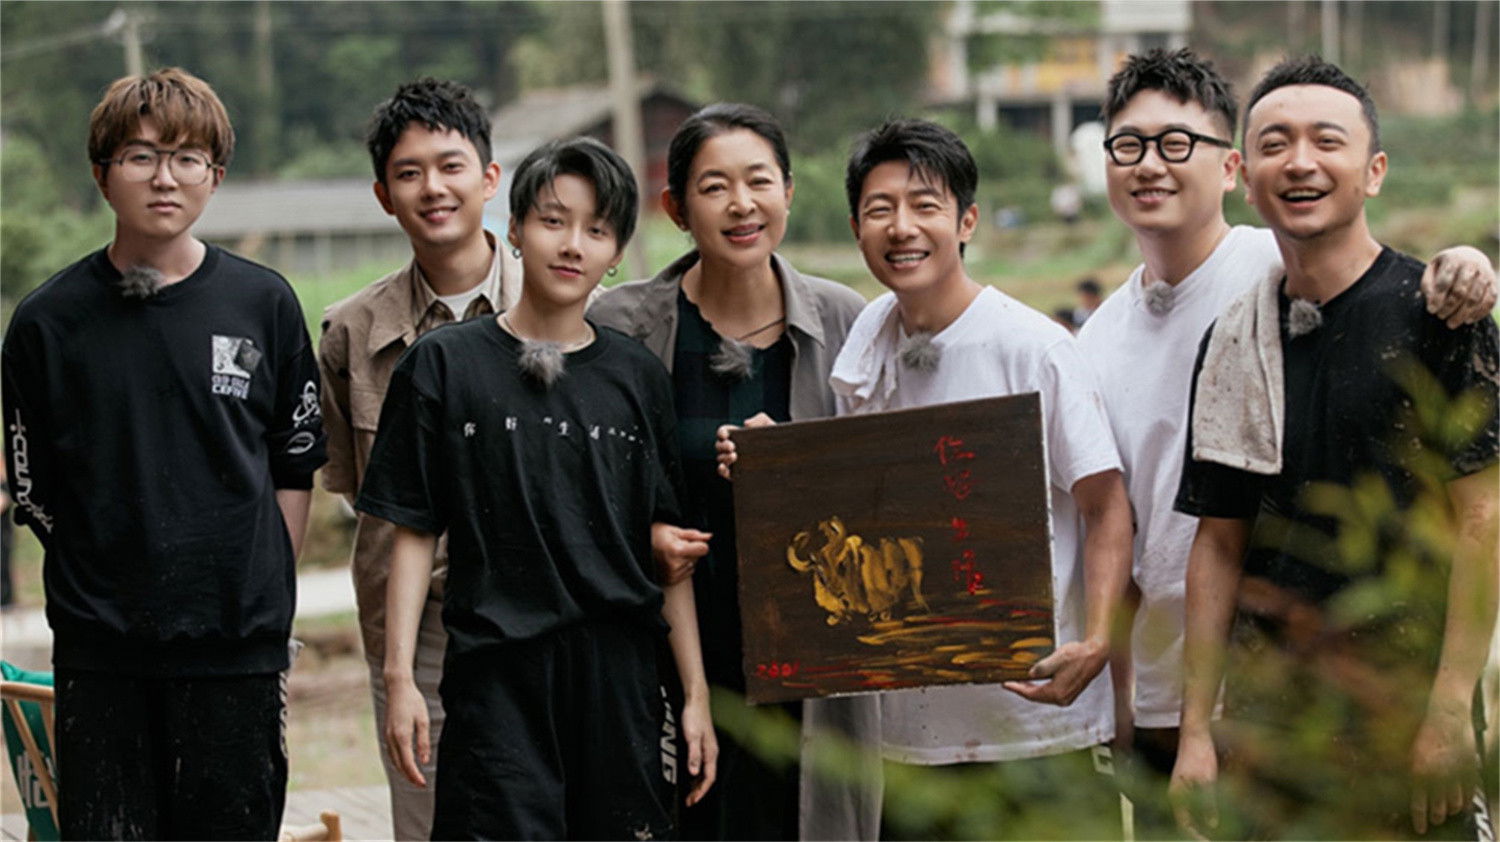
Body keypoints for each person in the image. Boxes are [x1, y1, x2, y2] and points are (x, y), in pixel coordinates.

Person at [1075, 47, 1498, 837]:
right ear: (1250, 173)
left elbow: (1483, 522)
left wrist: (1448, 711)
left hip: (1403, 718)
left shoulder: (1435, 315)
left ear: (1374, 171)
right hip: (1269, 729)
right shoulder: (1234, 334)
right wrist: (1196, 733)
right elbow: (1217, 541)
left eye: (1326, 141)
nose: (1300, 162)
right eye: (1276, 143)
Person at [721, 118, 1135, 840]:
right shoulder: (865, 352)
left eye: (925, 206)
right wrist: (772, 464)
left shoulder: (1032, 347)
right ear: (856, 228)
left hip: (1035, 724)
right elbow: (855, 513)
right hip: (909, 740)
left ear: (966, 221)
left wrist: (1097, 641)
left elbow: (1106, 506)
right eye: (879, 209)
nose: (901, 227)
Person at [358, 136, 717, 840]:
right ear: (516, 228)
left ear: (616, 253)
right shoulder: (443, 366)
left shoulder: (638, 377)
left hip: (620, 682)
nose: (572, 244)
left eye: (597, 230)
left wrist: (695, 694)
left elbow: (669, 557)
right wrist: (400, 679)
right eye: (553, 221)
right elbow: (413, 531)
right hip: (496, 676)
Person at [1, 67, 326, 840]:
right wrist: (103, 569)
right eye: (140, 156)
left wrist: (260, 588)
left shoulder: (263, 303)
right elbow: (32, 484)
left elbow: (293, 464)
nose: (165, 178)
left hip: (237, 648)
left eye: (187, 158)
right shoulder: (49, 323)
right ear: (101, 175)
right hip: (102, 652)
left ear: (216, 175)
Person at [590, 101, 866, 840]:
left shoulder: (847, 321)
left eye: (759, 181)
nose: (742, 204)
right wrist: (644, 538)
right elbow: (586, 485)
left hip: (809, 650)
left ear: (789, 193)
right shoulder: (622, 327)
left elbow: (885, 491)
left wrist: (797, 465)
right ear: (676, 209)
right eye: (714, 187)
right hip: (671, 645)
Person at [317, 77, 521, 840]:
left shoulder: (571, 309)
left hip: (544, 614)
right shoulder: (350, 333)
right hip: (417, 631)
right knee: (428, 818)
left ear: (489, 178)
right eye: (409, 173)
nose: (433, 188)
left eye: (450, 166)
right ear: (383, 195)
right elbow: (355, 488)